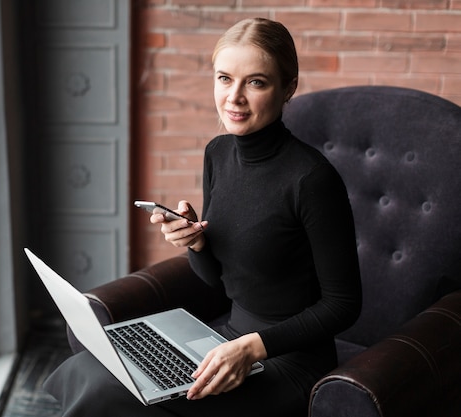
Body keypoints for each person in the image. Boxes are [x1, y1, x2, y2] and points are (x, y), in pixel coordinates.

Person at [42, 17, 362, 416]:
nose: (235, 98)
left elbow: (344, 305)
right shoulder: (218, 154)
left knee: (113, 398)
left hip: (289, 361)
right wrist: (196, 243)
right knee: (92, 370)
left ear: (288, 89)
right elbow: (216, 281)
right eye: (225, 79)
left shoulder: (313, 179)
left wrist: (253, 346)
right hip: (225, 339)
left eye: (256, 82)